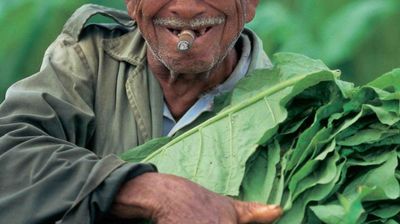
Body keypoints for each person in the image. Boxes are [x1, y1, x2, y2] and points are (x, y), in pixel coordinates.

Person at [0, 0, 283, 223]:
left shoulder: (295, 108)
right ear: (132, 3)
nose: (186, 7)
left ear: (250, 3)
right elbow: (10, 154)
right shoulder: (89, 62)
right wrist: (149, 191)